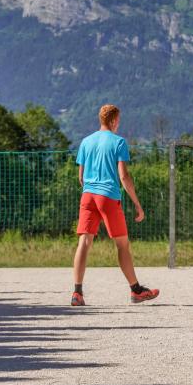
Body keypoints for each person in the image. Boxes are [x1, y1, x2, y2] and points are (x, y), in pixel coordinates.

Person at [71, 104, 159, 306]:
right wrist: (137, 204)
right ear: (112, 120)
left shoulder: (86, 141)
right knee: (122, 244)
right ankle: (136, 290)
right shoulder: (118, 142)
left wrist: (91, 189)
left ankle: (77, 293)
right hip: (108, 196)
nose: (119, 124)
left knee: (84, 243)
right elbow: (123, 176)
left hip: (88, 196)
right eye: (118, 120)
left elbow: (81, 177)